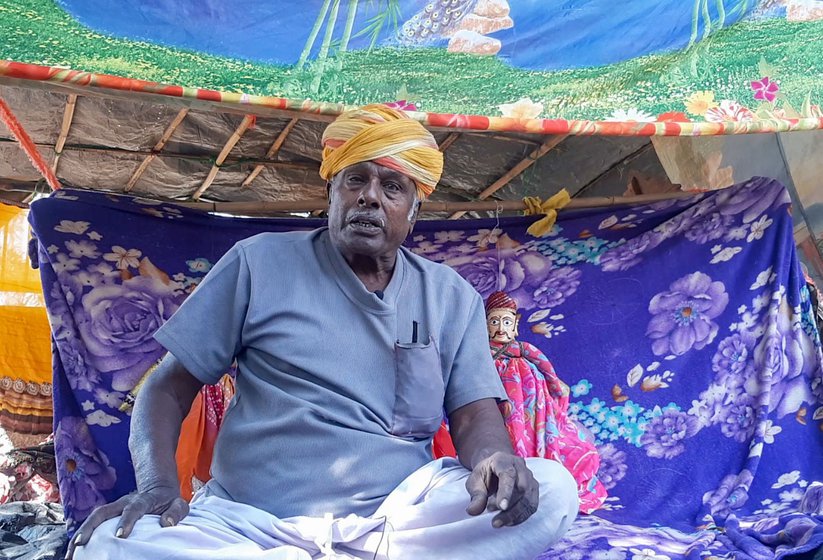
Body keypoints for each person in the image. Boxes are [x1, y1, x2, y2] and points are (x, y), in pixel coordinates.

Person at [67, 105, 579, 560]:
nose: (370, 198)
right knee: (111, 545)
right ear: (330, 192)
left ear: (413, 210)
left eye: (392, 186)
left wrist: (495, 460)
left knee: (553, 489)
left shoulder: (452, 297)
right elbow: (166, 386)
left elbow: (473, 416)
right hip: (250, 523)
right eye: (355, 180)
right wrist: (156, 485)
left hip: (398, 523)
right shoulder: (257, 263)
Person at [485, 291, 607, 514]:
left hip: (529, 408)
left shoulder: (521, 350)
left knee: (529, 433)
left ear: (515, 326)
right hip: (498, 405)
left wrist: (554, 383)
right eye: (494, 321)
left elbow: (542, 362)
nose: (501, 327)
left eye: (506, 321)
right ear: (485, 325)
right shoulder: (484, 355)